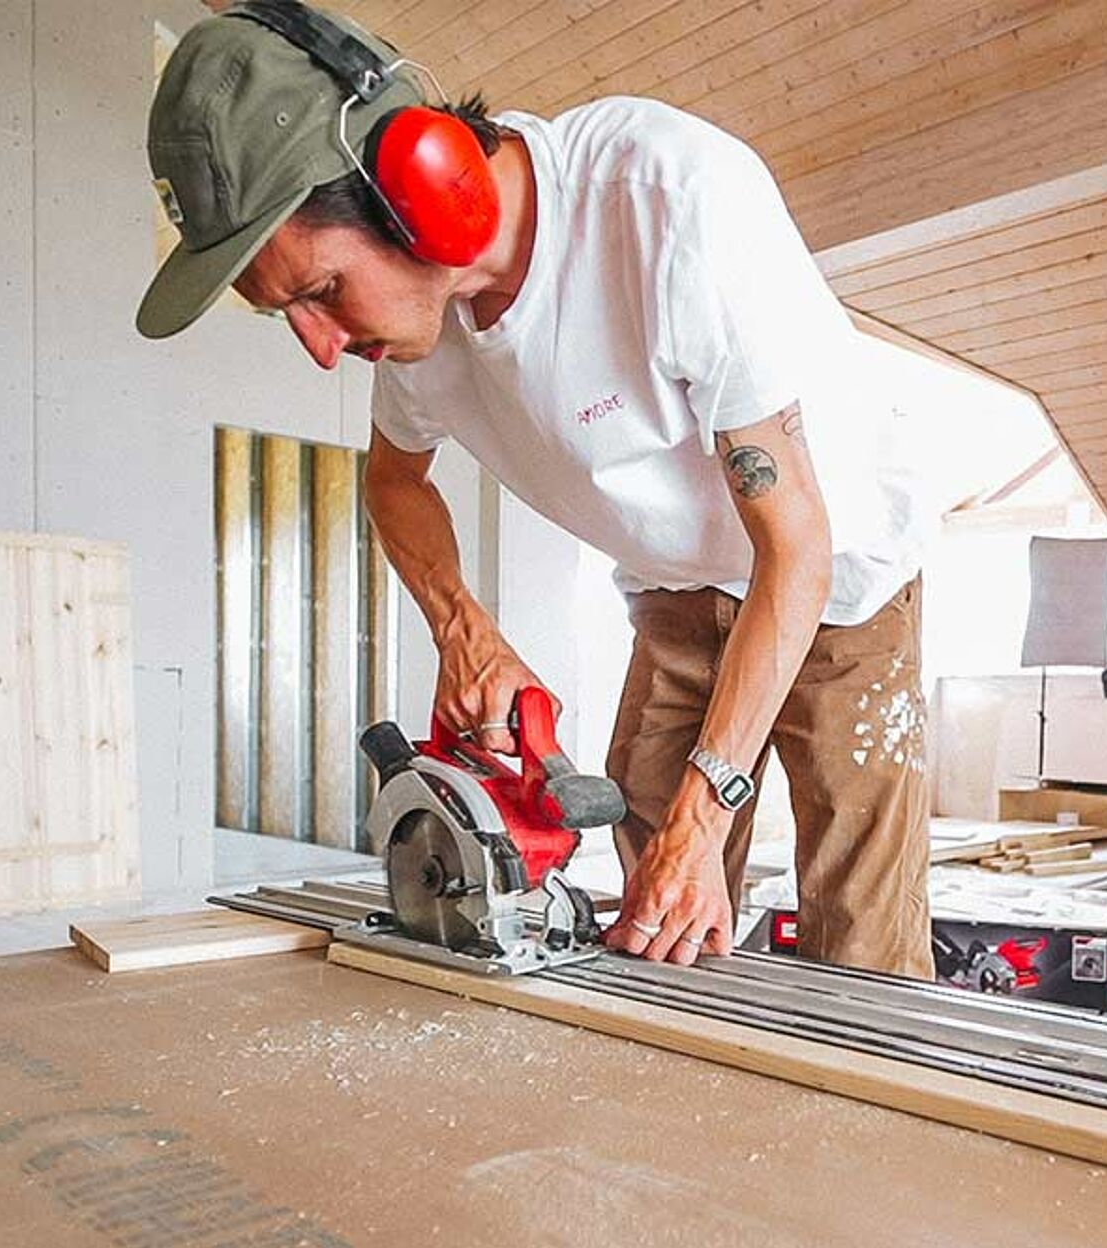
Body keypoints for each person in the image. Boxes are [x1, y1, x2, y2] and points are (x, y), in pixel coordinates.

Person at [138, 2, 934, 978]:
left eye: (321, 293)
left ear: (420, 196)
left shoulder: (666, 200)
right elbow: (395, 480)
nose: (322, 349)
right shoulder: (422, 330)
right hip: (677, 593)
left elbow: (798, 550)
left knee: (858, 934)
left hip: (840, 584)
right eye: (286, 315)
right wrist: (464, 629)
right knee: (660, 921)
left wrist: (705, 805)